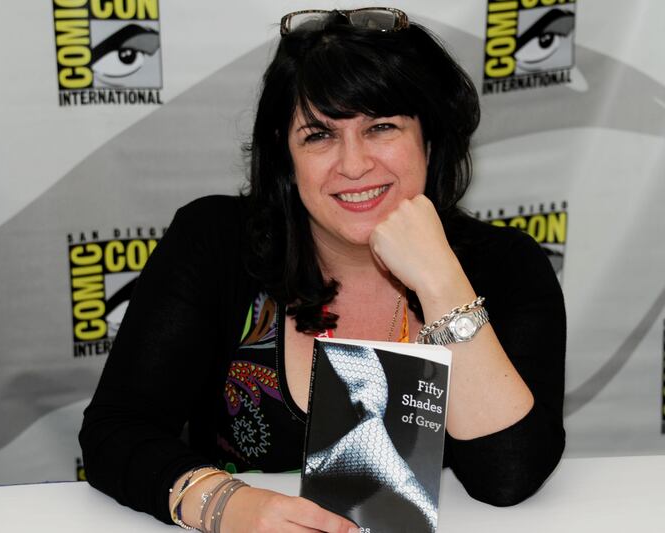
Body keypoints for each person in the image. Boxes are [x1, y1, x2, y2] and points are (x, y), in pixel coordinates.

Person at [80, 7, 565, 532]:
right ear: (285, 155)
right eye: (319, 135)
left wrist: (440, 281)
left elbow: (508, 477)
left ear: (429, 139)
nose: (354, 165)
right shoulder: (216, 240)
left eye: (381, 127)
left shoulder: (505, 265)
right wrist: (226, 506)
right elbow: (116, 430)